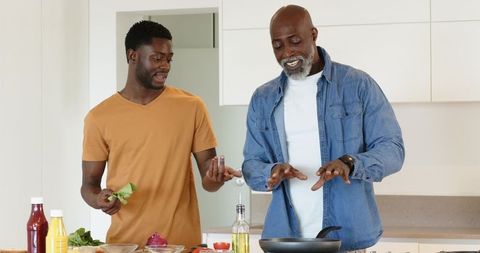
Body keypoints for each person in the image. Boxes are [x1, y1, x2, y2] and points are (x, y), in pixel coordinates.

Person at [242, 5, 405, 252]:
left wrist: (350, 162)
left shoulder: (357, 85)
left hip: (346, 238)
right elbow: (251, 165)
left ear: (314, 35)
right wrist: (272, 171)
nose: (287, 52)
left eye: (295, 41)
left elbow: (393, 150)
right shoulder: (262, 98)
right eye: (277, 46)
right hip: (286, 241)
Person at [81, 20, 241, 249]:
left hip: (182, 245)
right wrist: (98, 200)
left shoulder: (191, 106)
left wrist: (215, 177)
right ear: (132, 55)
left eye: (169, 58)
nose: (165, 65)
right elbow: (88, 185)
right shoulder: (99, 117)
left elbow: (209, 180)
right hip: (126, 245)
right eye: (157, 58)